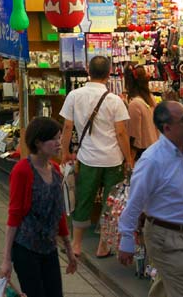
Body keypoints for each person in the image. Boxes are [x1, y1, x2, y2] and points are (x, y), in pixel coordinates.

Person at [117, 101, 183, 297]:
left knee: (165, 288)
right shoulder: (152, 160)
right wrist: (126, 239)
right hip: (165, 237)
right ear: (167, 127)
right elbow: (135, 201)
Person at [59, 55, 133, 257]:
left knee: (84, 198)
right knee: (111, 202)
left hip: (88, 158)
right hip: (113, 159)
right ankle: (103, 245)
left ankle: (76, 244)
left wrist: (64, 152)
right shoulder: (115, 100)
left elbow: (67, 126)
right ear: (109, 74)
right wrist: (129, 158)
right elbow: (121, 132)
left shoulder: (74, 95)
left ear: (87, 71)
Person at [0, 117, 78, 297]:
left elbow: (58, 214)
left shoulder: (56, 170)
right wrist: (6, 260)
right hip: (26, 249)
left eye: (60, 138)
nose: (59, 143)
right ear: (38, 142)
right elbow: (14, 216)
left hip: (48, 248)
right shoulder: (22, 171)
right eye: (54, 139)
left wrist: (69, 249)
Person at [124, 65, 159, 161]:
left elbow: (135, 136)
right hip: (154, 148)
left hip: (143, 154)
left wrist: (130, 158)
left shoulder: (135, 104)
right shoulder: (150, 98)